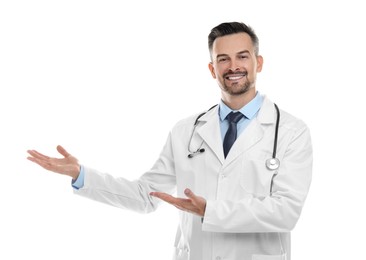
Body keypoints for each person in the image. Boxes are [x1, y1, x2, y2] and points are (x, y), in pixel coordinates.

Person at [27, 21, 312, 260]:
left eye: (242, 56)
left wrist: (208, 210)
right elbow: (145, 196)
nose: (233, 66)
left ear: (258, 63)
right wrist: (81, 175)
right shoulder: (185, 130)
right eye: (222, 59)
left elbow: (286, 212)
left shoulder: (290, 131)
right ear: (212, 69)